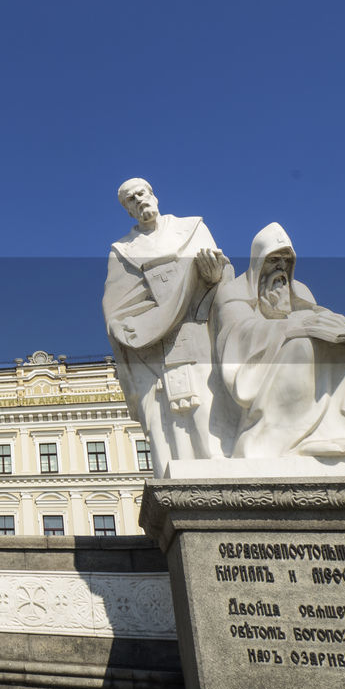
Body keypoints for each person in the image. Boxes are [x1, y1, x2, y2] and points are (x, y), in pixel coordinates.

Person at [212, 223, 345, 460]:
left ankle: (341, 432)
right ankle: (277, 438)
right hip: (259, 365)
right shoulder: (234, 291)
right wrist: (291, 325)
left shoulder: (299, 290)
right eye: (274, 259)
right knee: (301, 346)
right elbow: (237, 333)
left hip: (293, 346)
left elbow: (321, 316)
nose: (281, 266)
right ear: (258, 261)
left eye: (287, 260)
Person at [102, 178, 235, 473]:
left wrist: (214, 275)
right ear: (128, 211)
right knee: (165, 419)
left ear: (154, 196)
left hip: (199, 330)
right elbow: (118, 307)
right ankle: (174, 474)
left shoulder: (191, 229)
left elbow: (225, 281)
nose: (139, 200)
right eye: (131, 200)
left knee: (208, 401)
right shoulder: (123, 250)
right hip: (151, 347)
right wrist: (141, 328)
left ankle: (218, 467)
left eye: (141, 194)